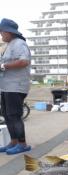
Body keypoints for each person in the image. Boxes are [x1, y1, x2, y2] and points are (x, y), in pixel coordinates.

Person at [0, 18, 31, 154]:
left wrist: (3, 66)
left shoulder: (19, 44)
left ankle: (22, 144)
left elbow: (24, 61)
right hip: (7, 86)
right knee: (7, 115)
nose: (1, 35)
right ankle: (13, 142)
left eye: (2, 32)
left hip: (16, 86)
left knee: (14, 115)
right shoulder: (10, 45)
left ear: (8, 32)